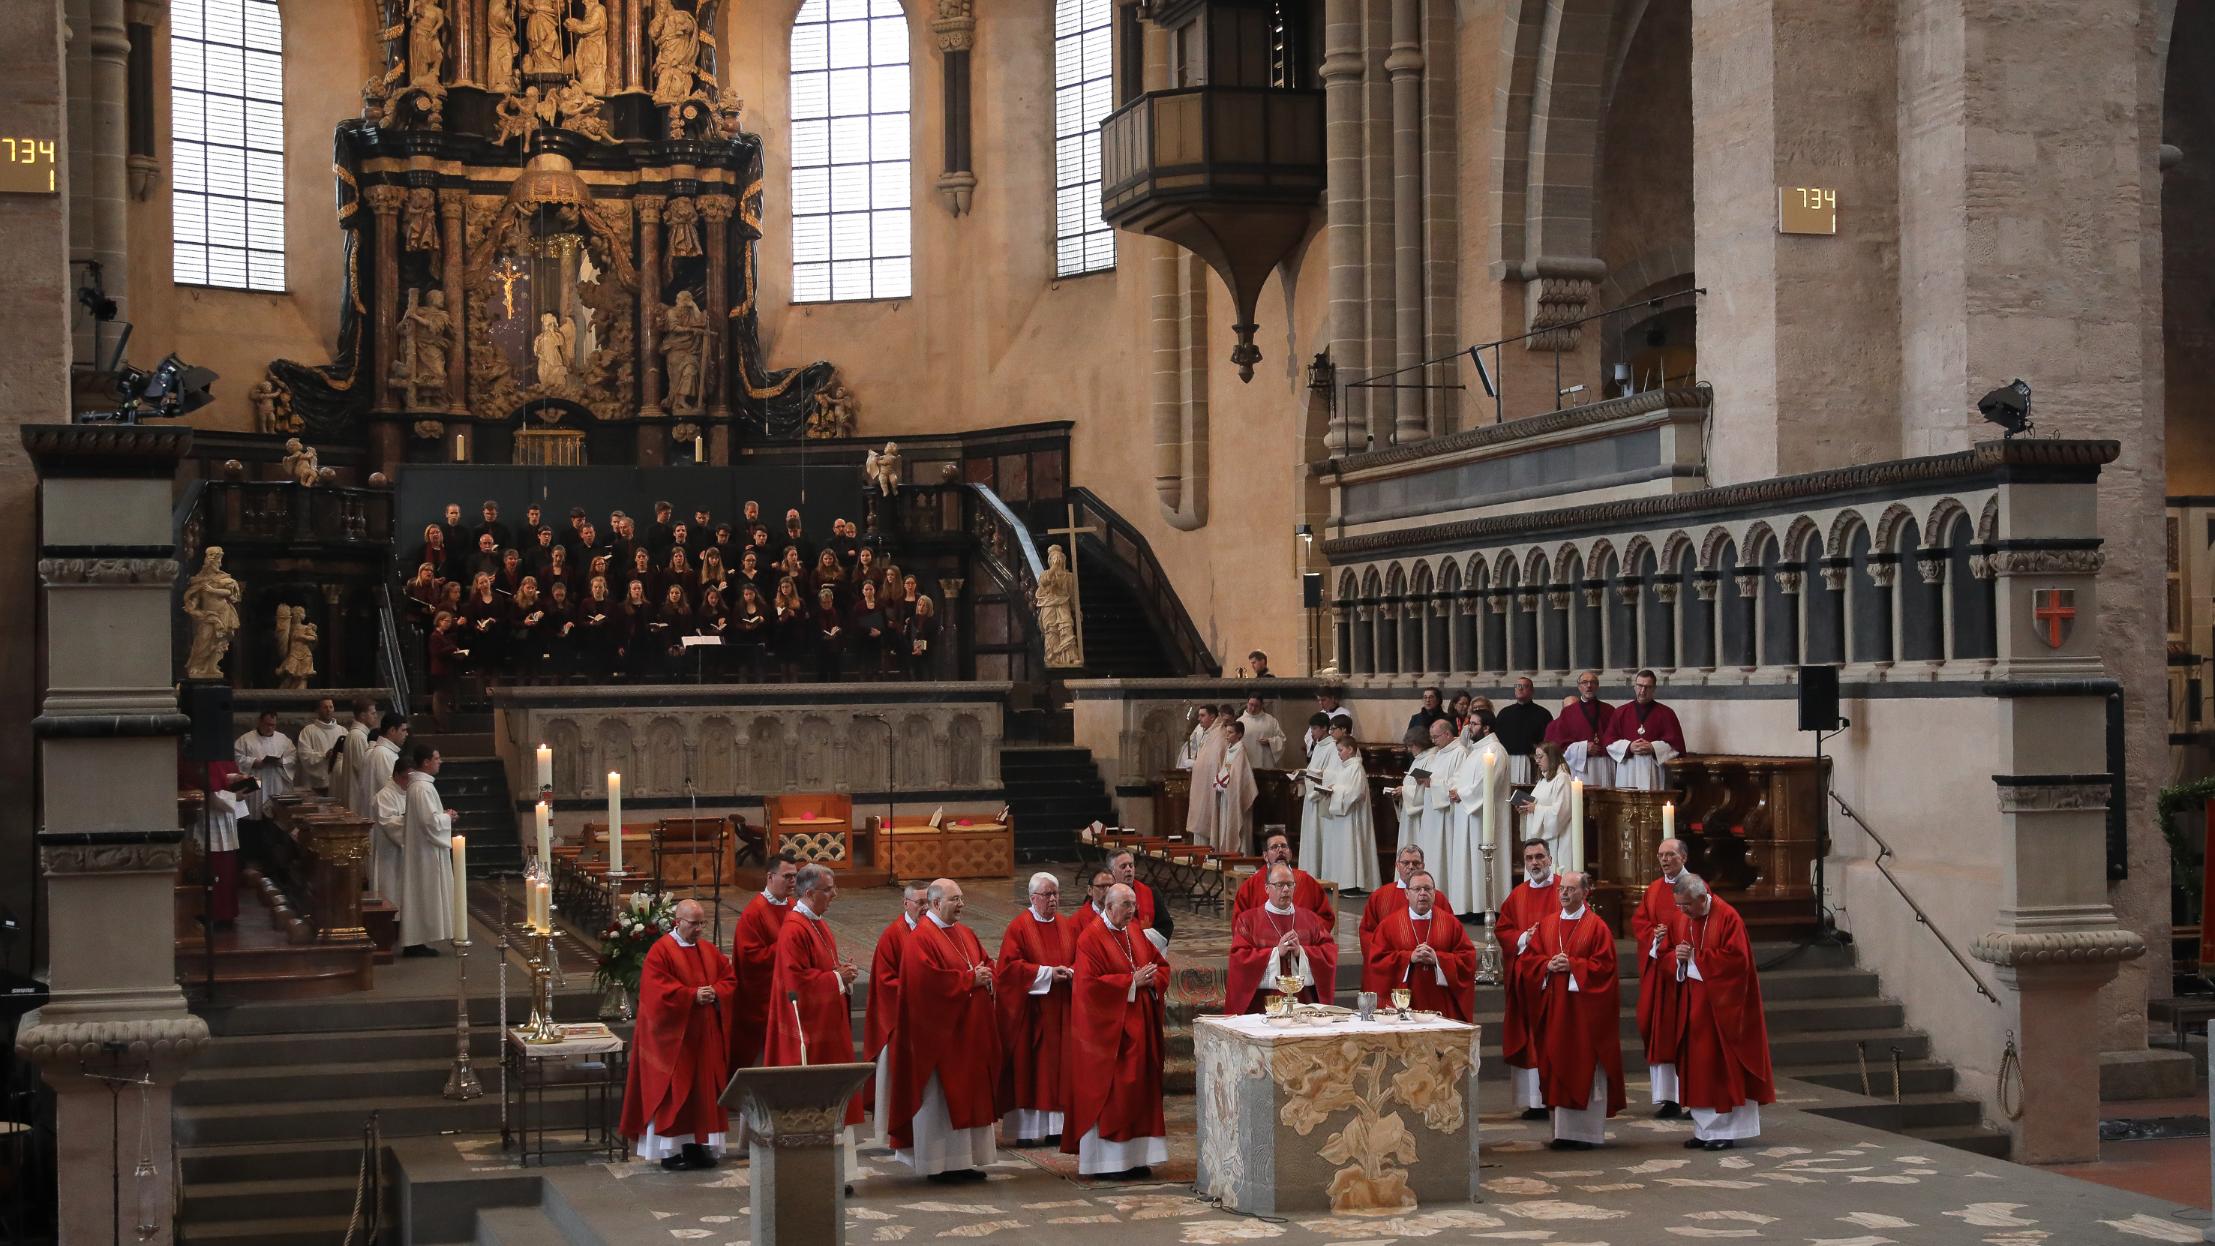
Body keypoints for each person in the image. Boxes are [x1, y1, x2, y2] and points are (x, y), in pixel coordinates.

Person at [889, 879, 1003, 1181]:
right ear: (937, 903)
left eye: (962, 898)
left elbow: (985, 963)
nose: (962, 904)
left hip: (969, 1034)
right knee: (939, 1101)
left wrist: (987, 975)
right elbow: (924, 983)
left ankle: (964, 1161)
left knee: (969, 1096)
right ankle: (938, 1164)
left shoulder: (965, 933)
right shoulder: (921, 938)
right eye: (955, 899)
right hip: (939, 1040)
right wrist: (968, 980)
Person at [761, 864, 866, 1168]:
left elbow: (820, 969)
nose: (834, 894)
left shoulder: (817, 923)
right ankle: (818, 1170)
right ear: (809, 893)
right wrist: (836, 979)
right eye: (828, 889)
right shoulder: (795, 929)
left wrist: (840, 975)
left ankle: (838, 1171)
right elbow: (796, 984)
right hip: (809, 1033)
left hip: (827, 1026)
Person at [621, 899, 738, 1171]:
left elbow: (728, 979)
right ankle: (669, 1151)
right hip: (673, 1041)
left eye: (702, 923)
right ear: (677, 922)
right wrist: (691, 995)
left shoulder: (708, 951)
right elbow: (655, 992)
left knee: (703, 1094)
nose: (699, 929)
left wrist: (717, 992)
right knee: (675, 1095)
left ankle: (698, 1147)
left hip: (704, 1038)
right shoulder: (661, 952)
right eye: (693, 923)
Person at [1063, 883, 1168, 1179]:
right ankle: (1107, 1163)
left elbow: (1159, 965)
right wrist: (1131, 982)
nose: (1132, 911)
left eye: (1133, 905)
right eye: (1126, 905)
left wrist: (1152, 978)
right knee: (1115, 1095)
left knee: (1139, 1093)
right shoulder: (1091, 938)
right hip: (1108, 1037)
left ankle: (1136, 1159)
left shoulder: (1134, 931)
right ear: (1108, 907)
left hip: (1140, 1028)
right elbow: (1087, 987)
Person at [1518, 870, 1625, 1150]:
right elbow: (1529, 961)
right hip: (1555, 1011)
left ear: (1585, 892)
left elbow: (1606, 969)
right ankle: (1562, 1132)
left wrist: (1574, 966)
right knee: (1556, 1062)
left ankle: (1585, 1134)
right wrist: (1546, 966)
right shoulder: (1548, 924)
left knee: (1582, 1065)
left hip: (1584, 1015)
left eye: (1571, 889)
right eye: (1561, 889)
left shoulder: (1597, 927)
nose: (1564, 893)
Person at [1671, 873, 1774, 1149]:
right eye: (1679, 906)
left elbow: (1737, 962)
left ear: (1702, 898)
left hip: (1725, 1009)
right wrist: (1681, 959)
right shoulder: (1687, 919)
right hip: (1696, 1007)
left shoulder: (1728, 918)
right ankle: (1704, 1131)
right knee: (1700, 1068)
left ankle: (1725, 1132)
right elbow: (1683, 955)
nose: (1682, 912)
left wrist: (1695, 959)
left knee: (1721, 1069)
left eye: (1686, 906)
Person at [997, 872, 1075, 1146]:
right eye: (1047, 895)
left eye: (1055, 894)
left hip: (1061, 1011)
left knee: (1058, 1070)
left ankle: (1056, 1128)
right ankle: (1026, 1132)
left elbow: (1079, 958)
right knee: (1029, 1070)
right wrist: (1045, 974)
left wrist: (1072, 972)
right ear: (1032, 898)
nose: (1053, 899)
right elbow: (1007, 970)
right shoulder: (1019, 927)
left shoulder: (1066, 926)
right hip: (1030, 1014)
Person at [1498, 839, 1560, 1119]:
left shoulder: (1564, 889)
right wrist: (1525, 937)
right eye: (1529, 858)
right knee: (1530, 1038)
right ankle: (1534, 1101)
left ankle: (1556, 1095)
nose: (1534, 863)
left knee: (1554, 1038)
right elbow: (1504, 930)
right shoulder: (1518, 895)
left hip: (1556, 979)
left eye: (1539, 857)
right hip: (1526, 981)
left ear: (1550, 858)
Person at [1361, 870, 1475, 1020]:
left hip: (1441, 1004)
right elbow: (1376, 962)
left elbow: (1468, 959)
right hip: (1402, 1007)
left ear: (1434, 893)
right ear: (1407, 894)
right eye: (1417, 889)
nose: (1423, 893)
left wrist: (1438, 959)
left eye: (1428, 889)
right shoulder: (1389, 925)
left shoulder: (1450, 923)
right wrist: (1409, 958)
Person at [1634, 838, 1693, 1118]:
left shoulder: (1695, 887)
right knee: (1660, 1032)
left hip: (1687, 974)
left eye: (1670, 854)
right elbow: (1640, 922)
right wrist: (1653, 936)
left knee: (1687, 1035)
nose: (1665, 860)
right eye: (1661, 855)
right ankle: (1668, 1098)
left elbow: (1702, 920)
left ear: (1683, 857)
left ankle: (1692, 1097)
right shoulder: (1654, 890)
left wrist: (1678, 947)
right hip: (1660, 974)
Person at [864, 883, 927, 1147]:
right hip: (900, 1022)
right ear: (906, 904)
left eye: (928, 902)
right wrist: (921, 990)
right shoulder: (893, 935)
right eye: (919, 903)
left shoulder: (938, 931)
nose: (924, 908)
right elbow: (884, 981)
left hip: (930, 1022)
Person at [1227, 864, 1338, 1011]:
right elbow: (1239, 959)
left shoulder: (1311, 919)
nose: (1286, 889)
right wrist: (1275, 953)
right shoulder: (1248, 920)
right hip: (1262, 1006)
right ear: (1267, 888)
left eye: (1290, 884)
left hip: (1303, 1004)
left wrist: (1301, 953)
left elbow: (1328, 952)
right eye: (1279, 885)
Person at [728, 854, 799, 1070]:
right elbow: (750, 958)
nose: (793, 882)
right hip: (762, 998)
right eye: (787, 876)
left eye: (795, 877)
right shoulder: (754, 912)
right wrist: (787, 947)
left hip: (790, 992)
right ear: (770, 876)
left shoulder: (793, 905)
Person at [1357, 844, 1452, 1000]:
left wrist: (1434, 955)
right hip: (1391, 973)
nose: (1411, 867)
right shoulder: (1381, 896)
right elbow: (1367, 933)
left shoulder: (1437, 898)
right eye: (1405, 863)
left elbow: (1451, 933)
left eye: (1416, 863)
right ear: (1397, 866)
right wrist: (1390, 959)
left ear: (1423, 865)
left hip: (1429, 975)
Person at [397, 743, 458, 957]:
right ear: (426, 762)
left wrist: (443, 815)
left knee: (421, 893)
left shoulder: (421, 786)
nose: (440, 762)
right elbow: (429, 822)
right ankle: (415, 942)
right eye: (436, 758)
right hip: (425, 852)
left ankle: (417, 940)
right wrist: (446, 817)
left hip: (424, 849)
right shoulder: (422, 788)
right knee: (422, 893)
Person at [1411, 718, 1466, 912]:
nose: (1433, 741)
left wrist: (1432, 782)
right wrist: (1424, 780)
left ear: (1448, 734)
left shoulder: (1460, 753)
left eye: (1436, 737)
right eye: (1431, 737)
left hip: (1445, 816)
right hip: (1431, 813)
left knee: (1444, 855)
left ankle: (1444, 896)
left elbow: (1457, 783)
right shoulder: (1439, 754)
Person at [1315, 735, 1379, 893]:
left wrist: (1334, 791)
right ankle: (1341, 881)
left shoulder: (1356, 767)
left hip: (1351, 817)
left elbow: (1355, 793)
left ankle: (1351, 883)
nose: (1338, 754)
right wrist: (1332, 789)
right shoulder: (1346, 767)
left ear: (1350, 750)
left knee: (1350, 846)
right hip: (1342, 816)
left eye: (1340, 750)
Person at [1603, 670, 1687, 791]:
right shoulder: (1620, 712)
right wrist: (1628, 747)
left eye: (1647, 687)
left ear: (1654, 688)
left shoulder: (1666, 713)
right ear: (1634, 686)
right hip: (1627, 768)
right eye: (1640, 686)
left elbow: (1676, 745)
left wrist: (1653, 747)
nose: (1642, 691)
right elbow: (1608, 742)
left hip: (1653, 769)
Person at [1234, 830, 1335, 930]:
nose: (1280, 850)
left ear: (1290, 854)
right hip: (1264, 944)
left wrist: (1307, 934)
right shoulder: (1250, 886)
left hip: (1301, 943)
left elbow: (1326, 917)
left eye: (1284, 846)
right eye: (1274, 847)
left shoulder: (1307, 882)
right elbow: (1239, 924)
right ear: (1265, 856)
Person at [1542, 671, 1616, 787]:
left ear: (1597, 686)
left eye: (1592, 682)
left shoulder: (1609, 710)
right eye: (1585, 682)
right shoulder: (1568, 712)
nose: (1589, 686)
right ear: (1579, 687)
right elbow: (1561, 744)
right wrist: (1583, 747)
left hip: (1604, 764)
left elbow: (1615, 736)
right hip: (1580, 766)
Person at [1203, 719, 1259, 853]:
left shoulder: (1240, 750)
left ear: (1239, 735)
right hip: (1226, 793)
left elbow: (1241, 776)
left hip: (1235, 794)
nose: (1227, 735)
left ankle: (1240, 853)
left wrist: (1228, 783)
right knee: (1226, 824)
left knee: (1237, 823)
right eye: (1226, 732)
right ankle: (1227, 851)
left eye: (1230, 733)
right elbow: (1226, 769)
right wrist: (1219, 780)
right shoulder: (1230, 749)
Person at [1517, 742, 1576, 867]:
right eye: (1536, 757)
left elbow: (1561, 812)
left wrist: (1535, 809)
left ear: (1552, 756)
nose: (1537, 761)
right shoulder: (1543, 780)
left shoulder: (1562, 779)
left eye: (1540, 756)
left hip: (1555, 840)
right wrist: (1526, 809)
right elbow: (1536, 803)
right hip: (1540, 840)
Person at [1105, 849, 1173, 952]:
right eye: (1123, 866)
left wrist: (1140, 938)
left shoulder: (1151, 893)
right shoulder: (1104, 894)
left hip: (1145, 950)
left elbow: (1165, 926)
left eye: (1131, 865)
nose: (1128, 869)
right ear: (1111, 871)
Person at [232, 711, 295, 820]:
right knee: (254, 817)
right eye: (267, 724)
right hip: (255, 781)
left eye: (273, 725)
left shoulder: (283, 739)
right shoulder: (246, 739)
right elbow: (236, 757)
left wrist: (281, 762)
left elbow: (292, 757)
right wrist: (253, 762)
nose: (270, 728)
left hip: (275, 781)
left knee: (275, 818)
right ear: (259, 722)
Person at [1493, 677, 1555, 786]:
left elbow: (1548, 741)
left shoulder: (1543, 714)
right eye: (1518, 686)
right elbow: (1496, 739)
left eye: (1525, 686)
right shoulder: (1504, 713)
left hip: (1532, 760)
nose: (1520, 689)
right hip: (1507, 760)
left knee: (1529, 791)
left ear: (1532, 691)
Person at [372, 746, 412, 906]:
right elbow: (389, 824)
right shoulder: (384, 796)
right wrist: (413, 820)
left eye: (412, 778)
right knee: (392, 896)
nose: (409, 782)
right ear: (395, 775)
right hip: (390, 856)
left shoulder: (412, 792)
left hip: (408, 856)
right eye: (405, 778)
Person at [335, 698, 379, 817]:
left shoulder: (358, 734)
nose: (376, 716)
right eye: (373, 713)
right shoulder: (358, 736)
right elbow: (362, 768)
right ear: (363, 715)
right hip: (357, 795)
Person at [296, 698, 348, 795]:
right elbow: (304, 755)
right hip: (318, 785)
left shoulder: (343, 731)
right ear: (318, 710)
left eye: (331, 707)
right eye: (325, 707)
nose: (328, 710)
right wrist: (324, 755)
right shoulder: (308, 731)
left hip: (339, 781)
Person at [1236, 695, 1287, 766]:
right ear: (1247, 703)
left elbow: (1282, 739)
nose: (1253, 709)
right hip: (1246, 763)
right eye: (1251, 705)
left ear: (1262, 706)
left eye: (1256, 706)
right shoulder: (1239, 722)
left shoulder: (1270, 720)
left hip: (1266, 762)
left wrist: (1270, 741)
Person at [1177, 703, 1219, 770]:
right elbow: (1192, 748)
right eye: (1199, 716)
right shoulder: (1200, 729)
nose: (1199, 719)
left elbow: (1214, 759)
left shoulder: (1218, 733)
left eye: (1202, 715)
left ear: (1212, 717)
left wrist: (1195, 764)